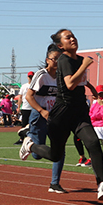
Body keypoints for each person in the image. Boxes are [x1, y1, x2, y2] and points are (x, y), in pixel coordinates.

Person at [20, 29, 103, 201]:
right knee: (56, 155)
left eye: (73, 36)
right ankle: (30, 146)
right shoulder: (64, 59)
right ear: (60, 45)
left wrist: (92, 89)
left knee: (93, 142)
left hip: (79, 112)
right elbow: (70, 84)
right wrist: (85, 65)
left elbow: (81, 81)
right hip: (62, 113)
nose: (73, 39)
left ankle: (101, 185)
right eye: (68, 37)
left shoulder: (80, 60)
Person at [24, 44, 67, 193]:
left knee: (60, 149)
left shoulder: (63, 77)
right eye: (54, 59)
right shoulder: (42, 75)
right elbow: (28, 96)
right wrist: (41, 110)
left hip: (55, 117)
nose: (57, 62)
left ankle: (55, 183)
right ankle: (27, 136)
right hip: (40, 115)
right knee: (37, 155)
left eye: (60, 59)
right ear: (47, 60)